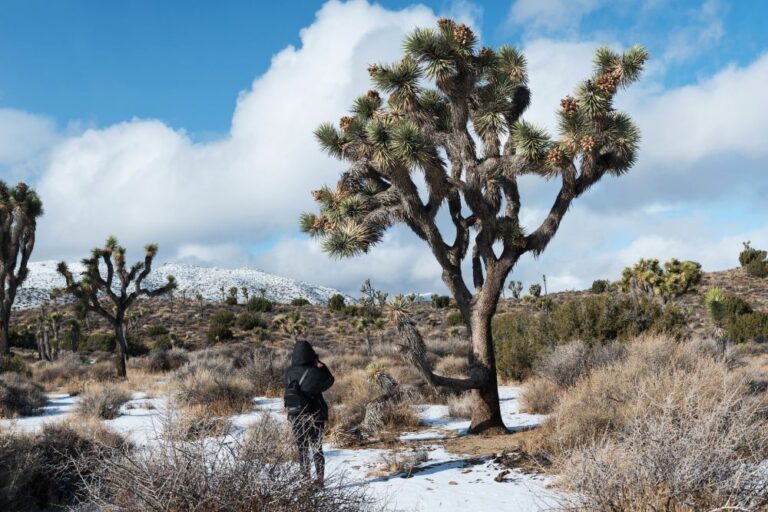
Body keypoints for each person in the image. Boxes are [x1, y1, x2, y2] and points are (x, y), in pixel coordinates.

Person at [283, 340, 334, 486]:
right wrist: (321, 366)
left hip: (295, 416)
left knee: (302, 450)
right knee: (317, 448)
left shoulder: (288, 373)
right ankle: (319, 481)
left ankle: (305, 481)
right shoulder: (314, 372)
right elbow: (330, 381)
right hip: (315, 416)